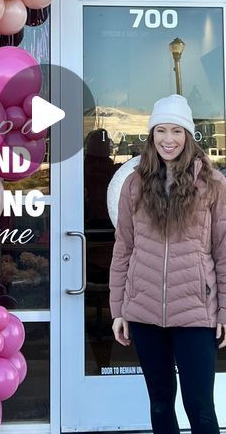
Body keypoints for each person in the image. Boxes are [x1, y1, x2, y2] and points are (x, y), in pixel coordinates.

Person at [109, 94, 226, 434]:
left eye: (176, 131)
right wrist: (119, 309)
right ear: (151, 135)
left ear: (188, 136)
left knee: (199, 406)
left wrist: (224, 312)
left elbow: (223, 251)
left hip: (195, 312)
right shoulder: (135, 184)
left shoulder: (214, 185)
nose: (168, 139)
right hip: (144, 312)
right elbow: (124, 248)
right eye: (161, 130)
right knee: (160, 402)